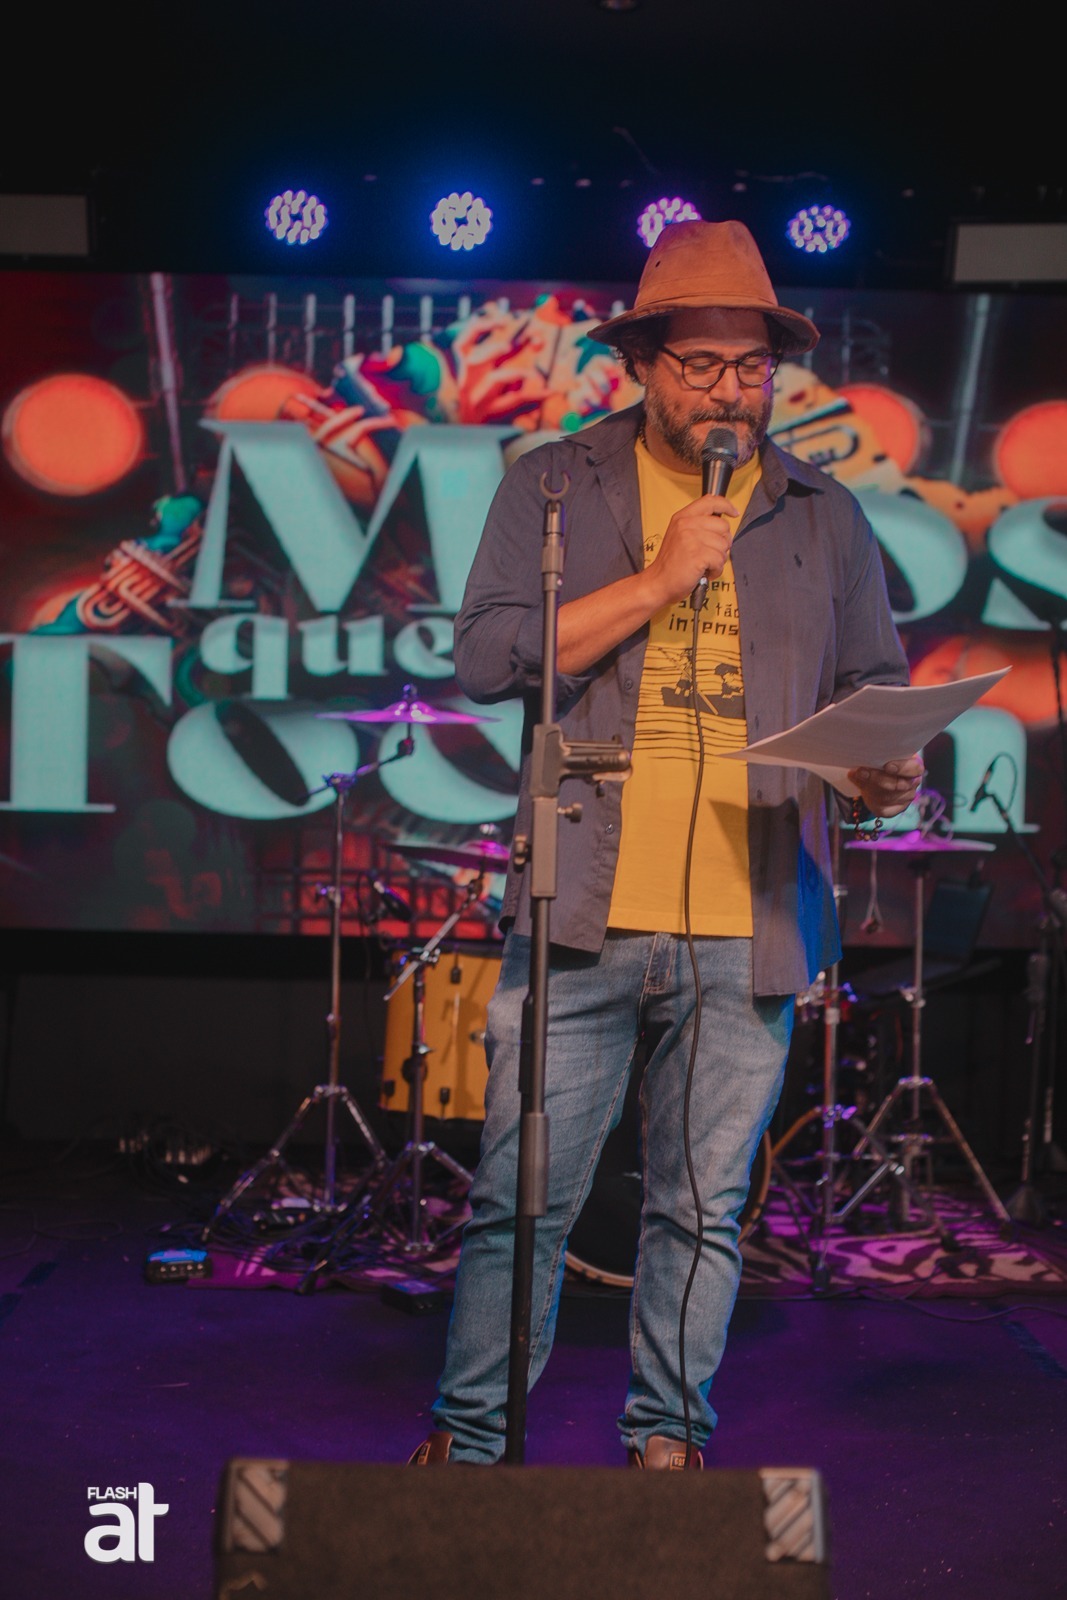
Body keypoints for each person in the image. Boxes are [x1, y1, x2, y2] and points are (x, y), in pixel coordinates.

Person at [408, 220, 922, 1470]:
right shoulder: (552, 483)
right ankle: (470, 1450)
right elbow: (484, 657)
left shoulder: (822, 513)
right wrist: (655, 579)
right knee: (519, 1201)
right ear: (641, 363)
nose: (726, 392)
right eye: (698, 365)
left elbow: (870, 686)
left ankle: (667, 1443)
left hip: (749, 918)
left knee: (701, 1213)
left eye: (748, 367)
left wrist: (885, 770)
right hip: (583, 908)